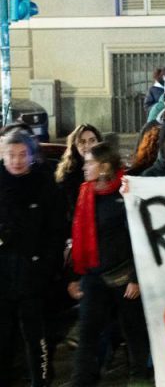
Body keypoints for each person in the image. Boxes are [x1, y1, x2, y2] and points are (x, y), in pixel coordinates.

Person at [68, 142, 151, 384]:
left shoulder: (126, 192)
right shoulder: (85, 193)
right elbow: (78, 237)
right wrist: (75, 276)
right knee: (87, 333)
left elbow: (140, 236)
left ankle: (139, 378)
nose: (84, 167)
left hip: (124, 277)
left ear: (104, 166)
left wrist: (136, 277)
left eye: (89, 163)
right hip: (93, 276)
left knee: (134, 332)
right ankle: (82, 381)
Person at [0, 130, 66, 387]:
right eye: (11, 155)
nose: (17, 161)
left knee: (36, 335)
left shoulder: (45, 186)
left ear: (31, 155)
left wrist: (45, 267)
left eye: (22, 154)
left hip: (33, 275)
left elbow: (56, 231)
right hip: (4, 274)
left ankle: (41, 379)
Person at [55, 124, 102, 219]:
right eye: (82, 142)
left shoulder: (108, 167)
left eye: (92, 140)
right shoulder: (68, 173)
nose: (88, 146)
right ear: (75, 146)